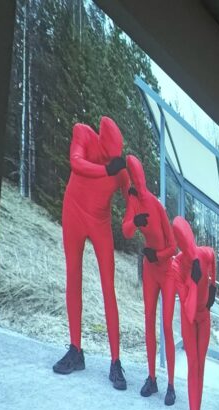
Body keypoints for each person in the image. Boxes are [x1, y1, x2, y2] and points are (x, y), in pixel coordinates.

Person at [53, 116, 130, 390]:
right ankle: (76, 350)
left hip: (100, 222)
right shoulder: (83, 134)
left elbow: (133, 201)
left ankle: (115, 362)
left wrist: (135, 221)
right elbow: (76, 163)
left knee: (109, 287)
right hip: (73, 212)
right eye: (109, 154)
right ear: (102, 142)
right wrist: (106, 169)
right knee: (73, 276)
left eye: (115, 156)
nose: (112, 159)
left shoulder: (119, 168)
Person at [121, 155, 178, 404]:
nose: (137, 180)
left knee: (166, 325)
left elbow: (173, 246)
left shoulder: (156, 205)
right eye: (133, 177)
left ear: (143, 176)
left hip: (166, 270)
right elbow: (126, 230)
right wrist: (134, 221)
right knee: (148, 320)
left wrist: (159, 255)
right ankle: (152, 378)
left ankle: (171, 384)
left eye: (138, 175)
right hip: (150, 269)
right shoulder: (134, 201)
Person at [171, 216, 217, 410]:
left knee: (201, 370)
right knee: (193, 368)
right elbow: (188, 312)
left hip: (204, 317)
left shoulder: (205, 253)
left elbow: (214, 259)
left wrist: (212, 287)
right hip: (190, 321)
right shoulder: (176, 266)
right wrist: (193, 281)